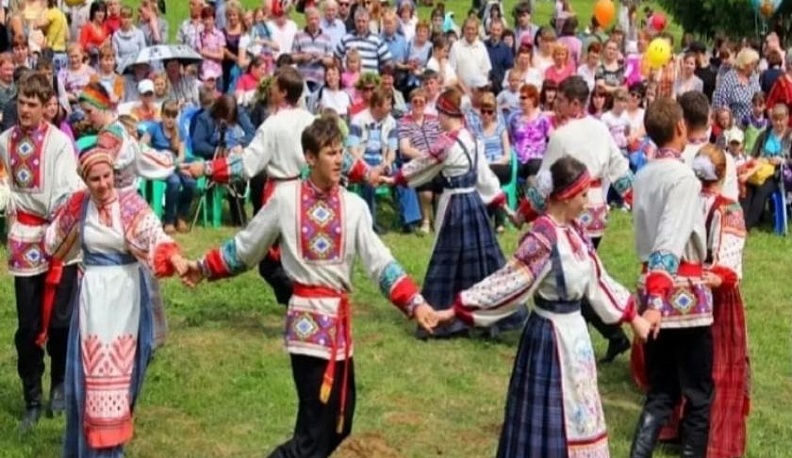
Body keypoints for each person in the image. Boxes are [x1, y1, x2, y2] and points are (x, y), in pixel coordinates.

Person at [180, 117, 439, 458]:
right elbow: (247, 246)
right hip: (308, 325)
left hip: (340, 331)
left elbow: (381, 263)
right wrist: (203, 268)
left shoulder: (354, 206)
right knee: (313, 437)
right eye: (330, 153)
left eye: (341, 153)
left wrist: (414, 302)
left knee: (338, 426)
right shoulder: (285, 200)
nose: (338, 160)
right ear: (310, 158)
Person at [438, 156, 650, 457]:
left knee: (581, 408)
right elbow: (509, 282)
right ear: (564, 196)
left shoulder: (576, 232)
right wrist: (457, 309)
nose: (588, 202)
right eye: (582, 194)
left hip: (575, 336)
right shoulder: (543, 236)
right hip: (549, 340)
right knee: (550, 416)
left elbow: (598, 279)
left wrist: (632, 316)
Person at [181, 67, 374, 306]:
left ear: (282, 92)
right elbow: (340, 157)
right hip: (311, 193)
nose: (269, 88)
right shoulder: (311, 120)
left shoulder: (272, 125)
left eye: (274, 85)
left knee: (268, 262)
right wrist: (366, 172)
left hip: (282, 195)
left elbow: (247, 165)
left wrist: (208, 168)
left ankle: (301, 300)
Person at [45, 147, 188, 457]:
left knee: (122, 378)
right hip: (93, 300)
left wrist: (173, 257)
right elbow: (53, 244)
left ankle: (111, 448)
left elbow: (154, 235)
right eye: (94, 179)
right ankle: (85, 450)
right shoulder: (80, 205)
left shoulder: (129, 204)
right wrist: (67, 217)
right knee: (88, 379)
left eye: (107, 176)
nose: (103, 184)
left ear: (114, 174)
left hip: (126, 297)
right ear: (85, 180)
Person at [383, 88, 525, 338]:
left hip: (454, 207)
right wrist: (503, 205)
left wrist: (395, 178)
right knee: (482, 261)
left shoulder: (447, 142)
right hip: (473, 205)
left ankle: (443, 317)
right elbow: (485, 176)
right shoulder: (471, 139)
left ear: (447, 112)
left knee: (447, 260)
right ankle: (483, 316)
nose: (437, 117)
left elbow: (422, 165)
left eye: (439, 111)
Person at [515, 75, 633, 363]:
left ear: (576, 102)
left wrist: (523, 213)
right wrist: (638, 203)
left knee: (575, 279)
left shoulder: (562, 136)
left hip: (571, 212)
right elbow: (620, 171)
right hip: (597, 211)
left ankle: (612, 334)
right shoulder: (601, 129)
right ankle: (607, 334)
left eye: (561, 101)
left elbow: (545, 183)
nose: (556, 107)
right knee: (582, 274)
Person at [629, 97, 714, 458]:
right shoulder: (683, 178)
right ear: (680, 127)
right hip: (681, 292)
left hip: (652, 287)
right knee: (697, 390)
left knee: (661, 389)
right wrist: (660, 299)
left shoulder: (644, 173)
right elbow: (669, 241)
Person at [0, 72, 84, 431]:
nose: (25, 110)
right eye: (21, 102)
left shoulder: (59, 144)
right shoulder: (4, 141)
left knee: (61, 320)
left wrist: (57, 233)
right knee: (28, 323)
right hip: (23, 237)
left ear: (46, 107)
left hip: (59, 237)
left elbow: (66, 191)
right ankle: (32, 396)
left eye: (32, 104)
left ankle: (61, 383)